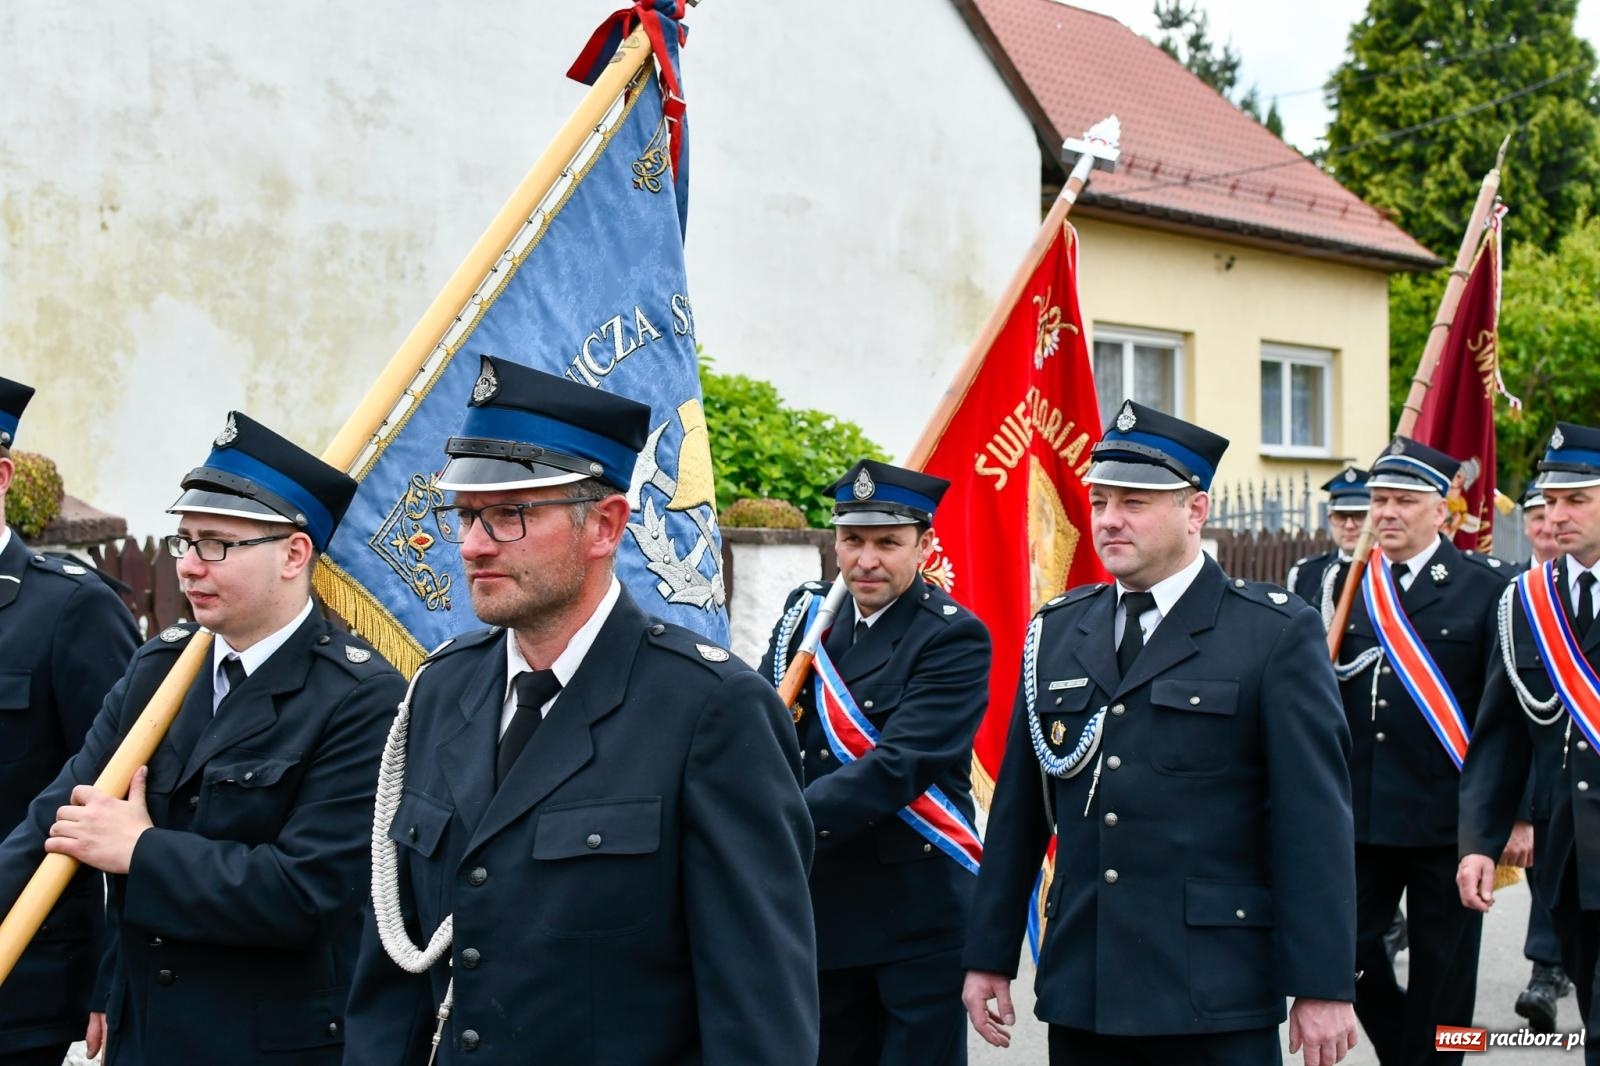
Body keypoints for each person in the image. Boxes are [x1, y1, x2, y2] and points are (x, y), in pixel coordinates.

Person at [343, 356, 817, 1065]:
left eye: (509, 515)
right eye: (467, 516)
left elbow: (759, 1012)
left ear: (605, 525)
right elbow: (394, 968)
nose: (472, 545)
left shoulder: (712, 712)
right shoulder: (441, 690)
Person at [0, 410, 404, 1065]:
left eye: (216, 543)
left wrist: (143, 850)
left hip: (267, 1047)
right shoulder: (161, 668)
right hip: (146, 1039)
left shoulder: (362, 697)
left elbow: (307, 894)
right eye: (184, 541)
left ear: (294, 554)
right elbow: (61, 809)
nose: (190, 566)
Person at [962, 399, 1359, 1065]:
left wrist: (1322, 985)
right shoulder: (1058, 630)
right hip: (1087, 981)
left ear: (1194, 511)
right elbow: (1020, 814)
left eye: (1136, 502)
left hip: (1214, 986)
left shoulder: (1270, 633)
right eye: (1101, 501)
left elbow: (1314, 820)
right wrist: (989, 955)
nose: (1111, 519)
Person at [760, 460, 990, 1066]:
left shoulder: (952, 636)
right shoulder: (807, 618)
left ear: (924, 546)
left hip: (914, 916)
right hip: (820, 905)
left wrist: (777, 822)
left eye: (888, 543)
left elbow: (900, 765)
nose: (865, 560)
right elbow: (762, 728)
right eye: (852, 540)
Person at [1332, 436, 1506, 1066]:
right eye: (1379, 500)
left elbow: (1503, 717)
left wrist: (1511, 815)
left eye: (1405, 500)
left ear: (1443, 510)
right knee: (1343, 954)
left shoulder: (1485, 588)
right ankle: (1407, 1048)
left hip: (1448, 818)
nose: (1387, 513)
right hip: (1360, 811)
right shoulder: (1342, 584)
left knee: (1445, 972)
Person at [0, 377, 139, 1066]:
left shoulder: (70, 611)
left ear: (2, 476)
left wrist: (114, 978)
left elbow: (127, 792)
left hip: (20, 981)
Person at [1459, 423, 1600, 1063]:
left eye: (1578, 499)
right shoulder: (1526, 602)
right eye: (1550, 500)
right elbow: (1502, 734)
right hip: (1568, 854)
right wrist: (1482, 842)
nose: (1557, 515)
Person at [1506, 481, 1574, 1032]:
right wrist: (1517, 809)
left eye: (1566, 507)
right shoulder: (1511, 598)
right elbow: (1503, 721)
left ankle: (1553, 969)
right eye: (1538, 512)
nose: (1549, 522)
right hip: (1543, 785)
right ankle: (1547, 971)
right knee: (1548, 882)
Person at [1287, 465, 1370, 616]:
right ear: (1329, 518)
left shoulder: (1390, 572)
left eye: (1359, 515)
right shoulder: (1304, 574)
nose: (1349, 525)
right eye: (1340, 516)